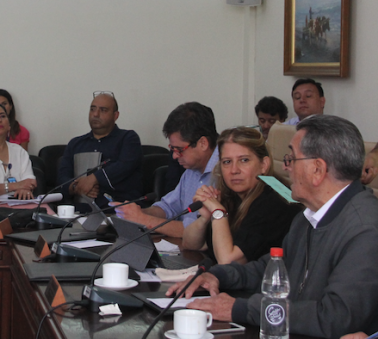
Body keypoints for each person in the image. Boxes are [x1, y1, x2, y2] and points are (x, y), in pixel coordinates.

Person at [167, 115, 378, 339]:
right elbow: (272, 269)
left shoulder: (365, 229)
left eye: (291, 159)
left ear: (317, 169)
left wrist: (240, 309)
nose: (286, 169)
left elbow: (337, 317)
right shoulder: (308, 217)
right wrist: (217, 276)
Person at [181, 127, 301, 265]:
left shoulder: (274, 202)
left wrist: (218, 212)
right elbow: (190, 244)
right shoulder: (232, 195)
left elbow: (228, 262)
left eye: (244, 160)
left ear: (264, 164)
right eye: (227, 162)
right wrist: (205, 218)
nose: (234, 170)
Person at [118, 102, 219, 238]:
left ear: (203, 143)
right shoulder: (191, 170)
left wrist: (143, 220)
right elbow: (169, 207)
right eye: (172, 149)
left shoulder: (228, 173)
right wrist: (135, 213)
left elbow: (198, 232)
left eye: (179, 149)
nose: (174, 156)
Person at [57, 92, 143, 209]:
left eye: (103, 110)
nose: (96, 114)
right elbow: (63, 177)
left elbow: (124, 166)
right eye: (92, 109)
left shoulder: (128, 138)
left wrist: (94, 179)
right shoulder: (76, 144)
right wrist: (76, 188)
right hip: (79, 212)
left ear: (115, 115)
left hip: (118, 210)